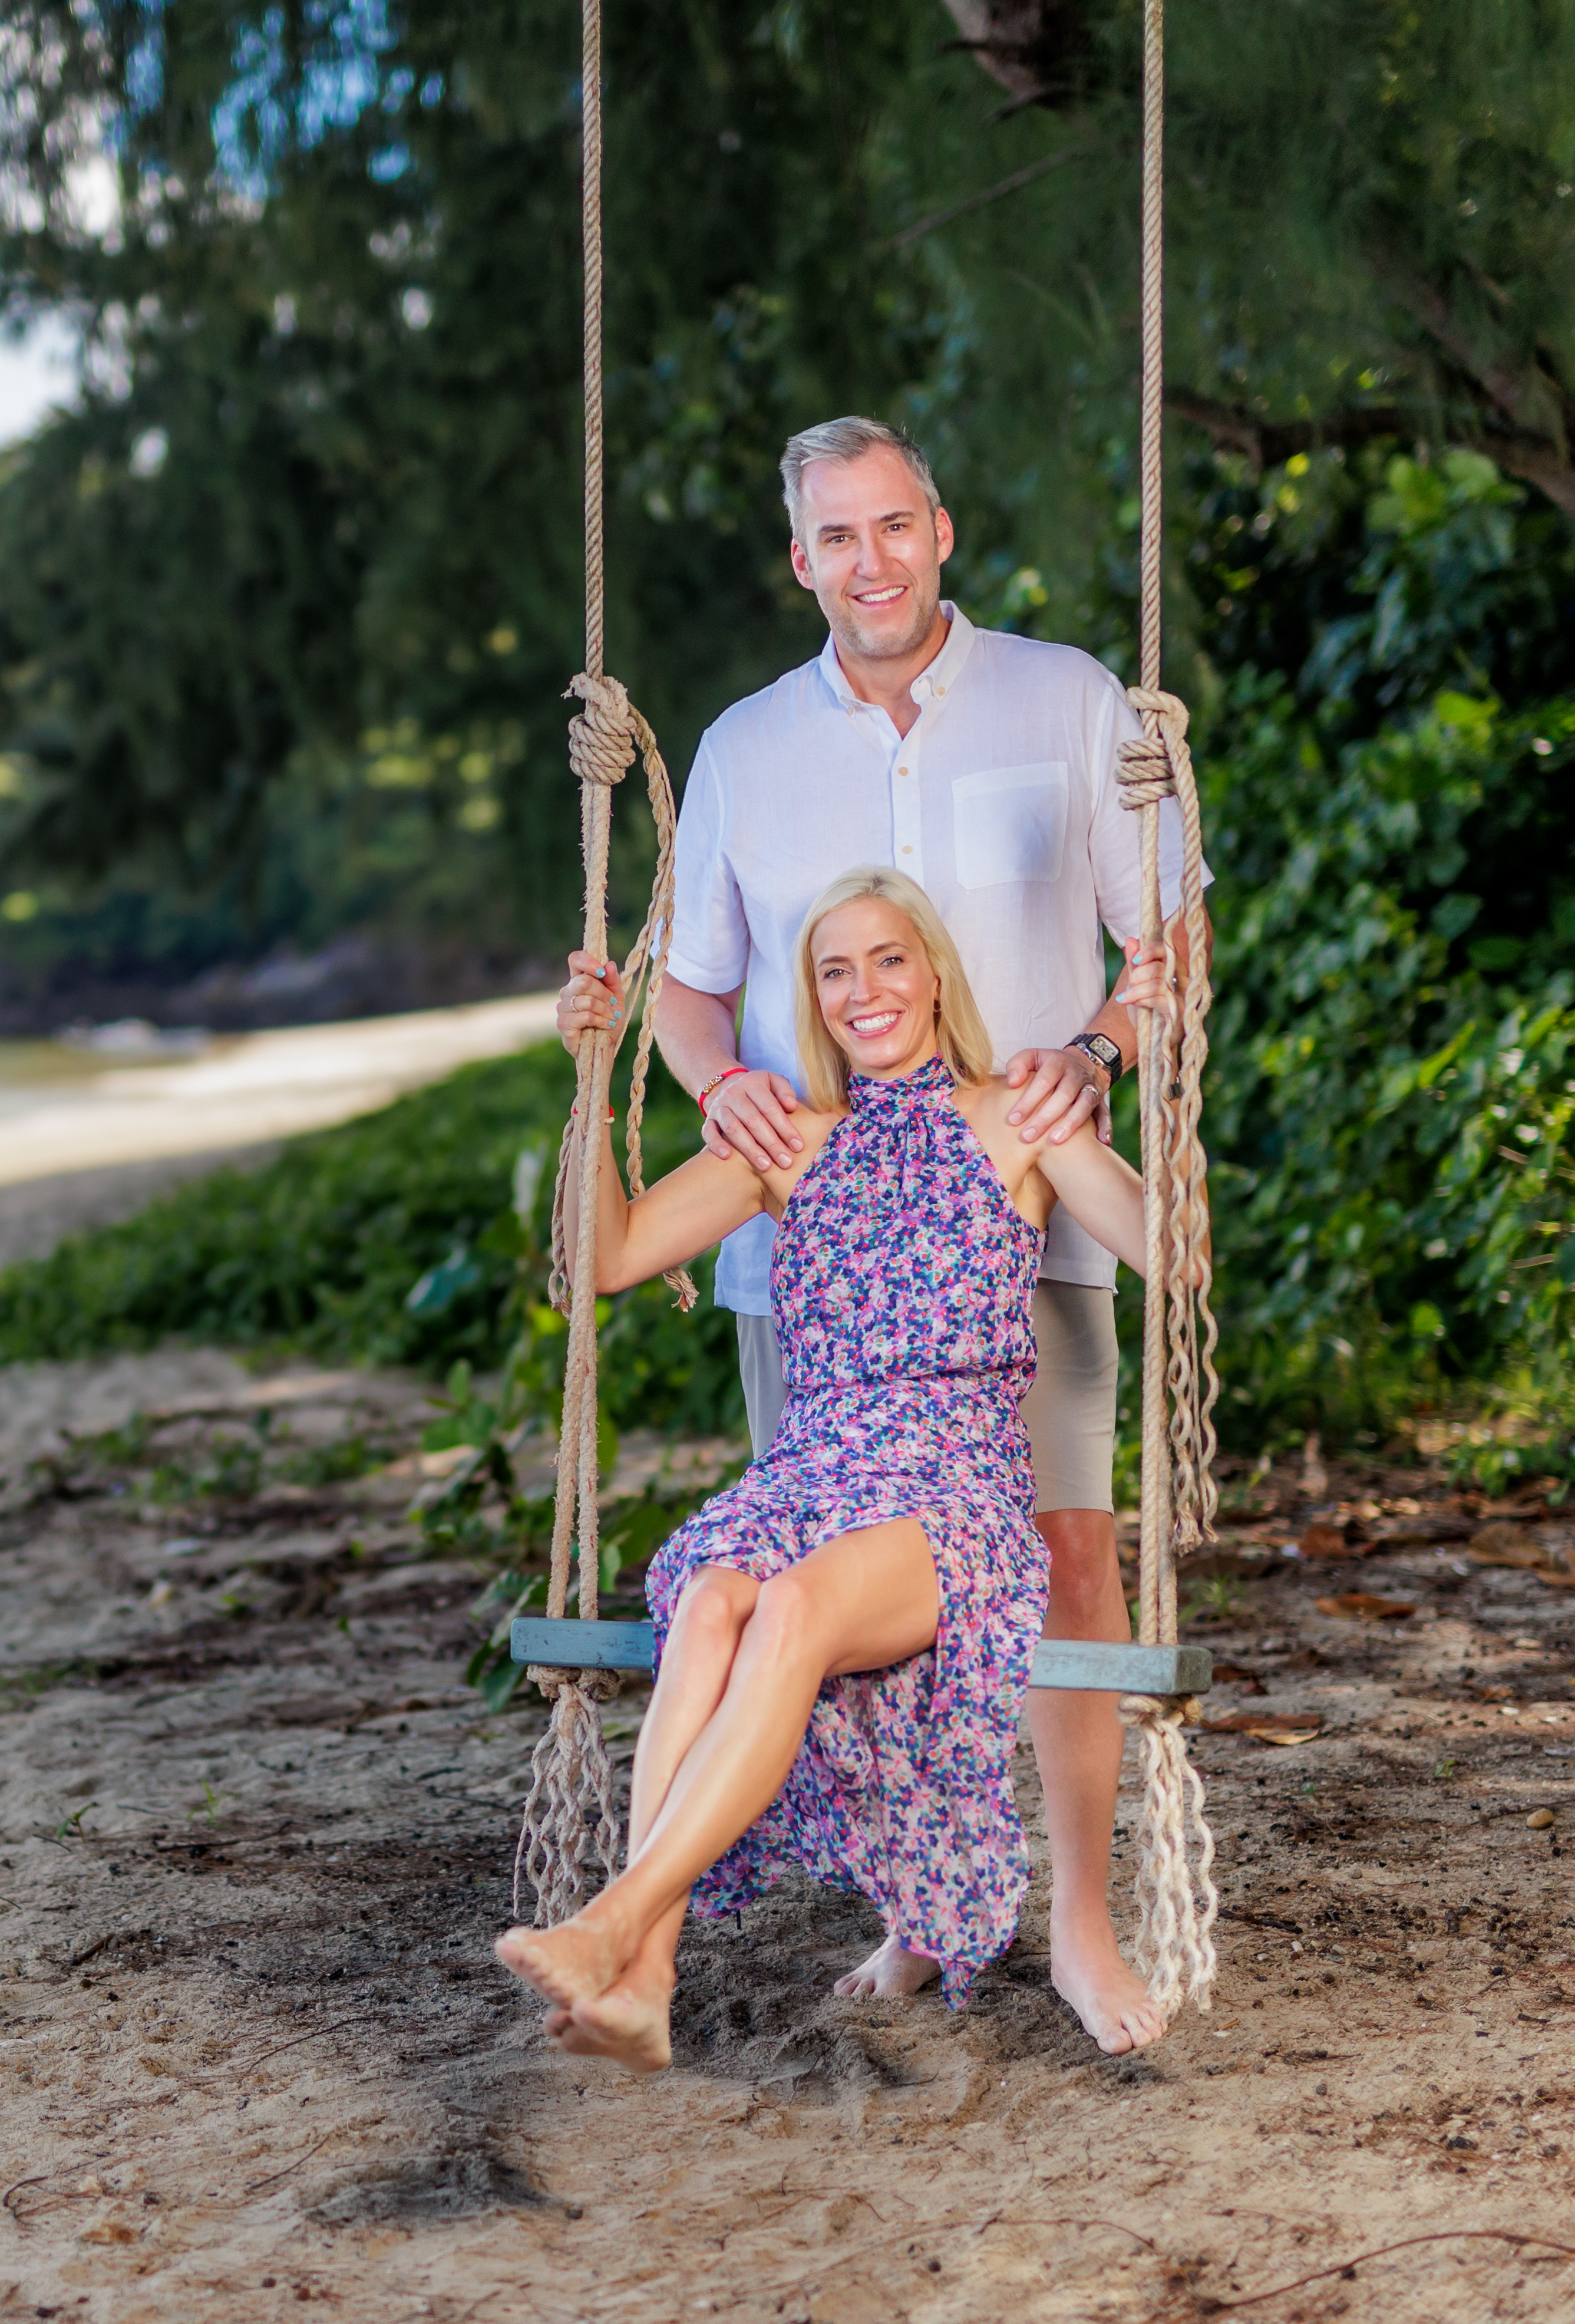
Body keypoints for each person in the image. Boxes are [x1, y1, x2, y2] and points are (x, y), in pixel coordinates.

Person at [652, 414, 1209, 2053]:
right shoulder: (745, 745)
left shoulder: (1067, 699)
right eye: (834, 537)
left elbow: (1162, 940)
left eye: (891, 527)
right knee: (843, 1582)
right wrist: (715, 1095)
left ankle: (1083, 1928)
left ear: (940, 531)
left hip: (1024, 1224)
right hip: (815, 1254)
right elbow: (692, 991)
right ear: (798, 559)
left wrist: (1096, 1054)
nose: (868, 563)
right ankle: (922, 1913)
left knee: (1062, 1559)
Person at [496, 867, 1154, 2073]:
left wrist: (1144, 1051)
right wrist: (591, 1079)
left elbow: (1178, 1251)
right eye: (834, 970)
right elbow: (610, 1255)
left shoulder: (1017, 1115)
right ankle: (640, 1981)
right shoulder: (789, 1140)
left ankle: (616, 1922)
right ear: (812, 999)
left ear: (936, 972)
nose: (865, 990)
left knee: (789, 1608)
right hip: (808, 1475)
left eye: (889, 958)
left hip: (951, 1488)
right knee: (706, 1604)